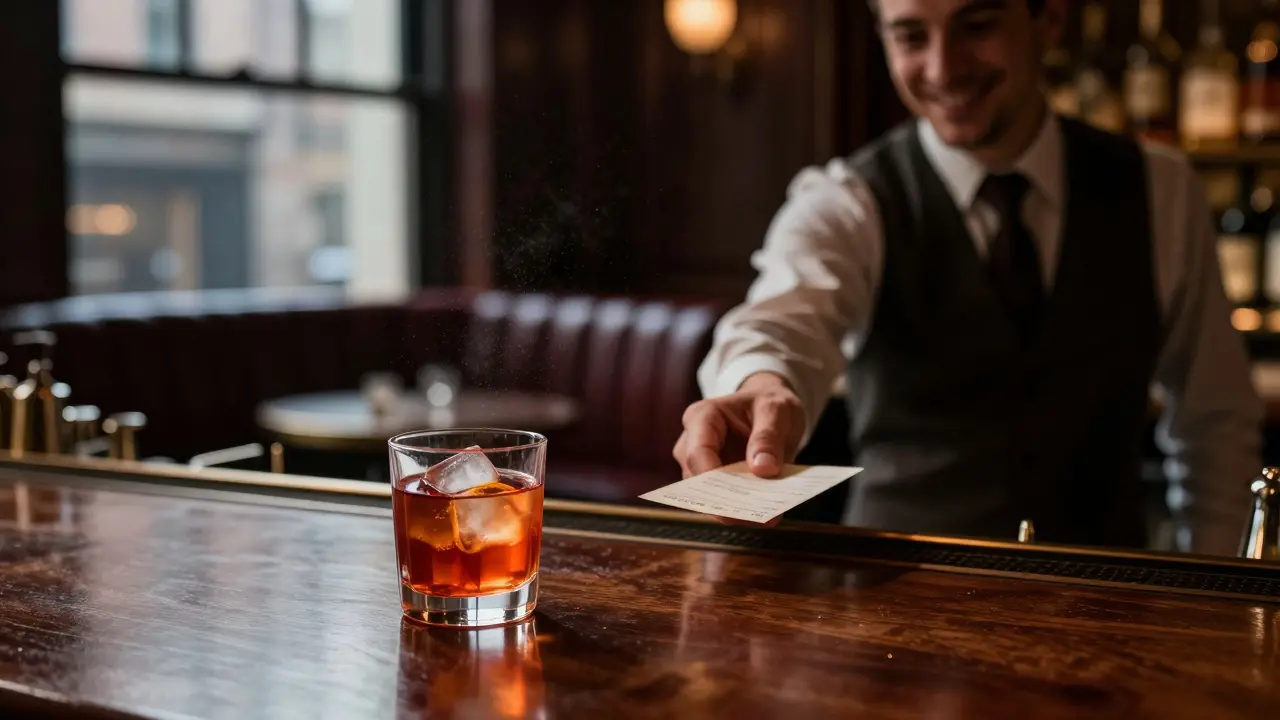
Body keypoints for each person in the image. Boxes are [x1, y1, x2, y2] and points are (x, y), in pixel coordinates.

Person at [673, 0, 1264, 556]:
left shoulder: (1161, 190)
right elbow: (779, 321)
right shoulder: (847, 200)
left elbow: (1216, 422)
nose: (943, 68)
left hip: (1107, 597)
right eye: (911, 36)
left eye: (977, 26)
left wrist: (1218, 589)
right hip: (896, 604)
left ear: (1050, 19)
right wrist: (762, 384)